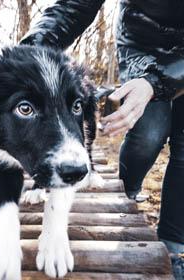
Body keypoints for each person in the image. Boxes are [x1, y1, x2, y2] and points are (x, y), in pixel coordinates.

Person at [20, 0, 184, 277]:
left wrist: (157, 83)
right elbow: (72, 7)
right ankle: (128, 191)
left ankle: (173, 246)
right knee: (149, 132)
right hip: (142, 42)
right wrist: (30, 47)